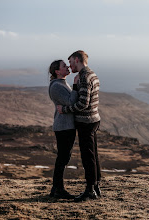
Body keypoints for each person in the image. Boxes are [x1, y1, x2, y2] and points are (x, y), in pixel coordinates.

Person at [57, 50, 101, 202]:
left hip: (86, 121)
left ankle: (90, 191)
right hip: (94, 119)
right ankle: (95, 187)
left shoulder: (83, 77)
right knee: (93, 154)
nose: (70, 66)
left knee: (87, 156)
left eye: (70, 62)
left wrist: (64, 109)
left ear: (77, 60)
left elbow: (83, 104)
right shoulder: (92, 74)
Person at [48, 60, 78, 199]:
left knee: (64, 157)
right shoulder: (56, 86)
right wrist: (76, 86)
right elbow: (71, 101)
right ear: (57, 71)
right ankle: (58, 189)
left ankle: (56, 188)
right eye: (64, 66)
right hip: (63, 127)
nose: (67, 67)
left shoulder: (61, 83)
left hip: (66, 126)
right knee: (63, 158)